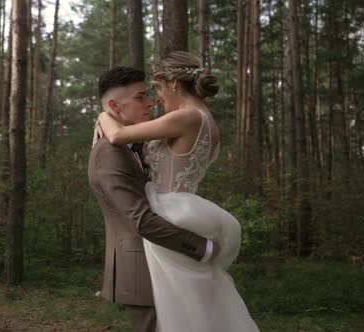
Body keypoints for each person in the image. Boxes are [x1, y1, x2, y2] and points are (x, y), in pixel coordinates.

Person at [96, 51, 259, 331]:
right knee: (196, 307)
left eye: (157, 89)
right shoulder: (208, 121)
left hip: (168, 212)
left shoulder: (187, 117)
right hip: (185, 208)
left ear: (173, 83)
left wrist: (102, 114)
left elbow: (117, 135)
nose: (156, 99)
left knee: (179, 311)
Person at [88, 66, 220, 332]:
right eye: (140, 97)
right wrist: (203, 248)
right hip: (141, 267)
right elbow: (141, 220)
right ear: (114, 105)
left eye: (149, 94)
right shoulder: (108, 153)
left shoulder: (133, 145)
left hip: (163, 259)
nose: (150, 102)